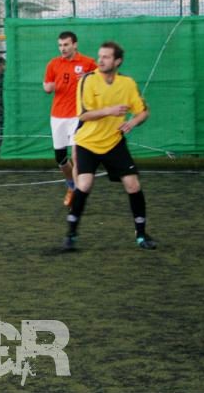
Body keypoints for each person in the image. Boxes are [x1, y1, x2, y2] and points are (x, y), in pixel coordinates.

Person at [63, 41, 155, 251]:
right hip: (88, 142)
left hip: (114, 142)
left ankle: (141, 235)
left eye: (106, 57)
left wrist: (133, 122)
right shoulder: (87, 80)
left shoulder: (127, 83)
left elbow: (143, 111)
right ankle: (71, 234)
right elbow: (83, 114)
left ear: (117, 61)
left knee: (133, 185)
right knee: (84, 185)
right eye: (100, 56)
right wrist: (109, 111)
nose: (100, 60)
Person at [43, 31, 97, 207]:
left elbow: (100, 79)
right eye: (60, 45)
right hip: (57, 117)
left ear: (75, 45)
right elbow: (47, 86)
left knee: (76, 154)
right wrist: (49, 86)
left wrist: (88, 77)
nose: (63, 48)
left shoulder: (87, 63)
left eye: (66, 45)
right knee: (60, 159)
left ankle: (79, 196)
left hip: (78, 116)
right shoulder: (53, 64)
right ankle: (71, 186)